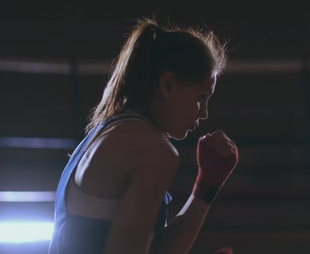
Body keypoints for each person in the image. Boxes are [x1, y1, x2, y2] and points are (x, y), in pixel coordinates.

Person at [49, 18, 239, 254]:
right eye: (201, 97)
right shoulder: (152, 149)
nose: (204, 112)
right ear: (167, 85)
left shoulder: (105, 131)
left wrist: (206, 187)